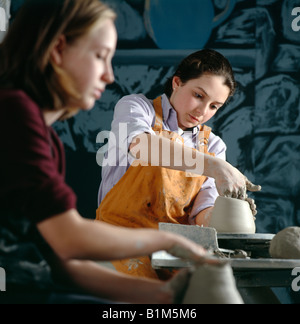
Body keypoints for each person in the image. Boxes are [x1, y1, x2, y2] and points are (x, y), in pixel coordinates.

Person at [0, 0, 221, 304]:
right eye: (100, 56)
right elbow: (69, 238)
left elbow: (59, 261)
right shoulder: (13, 113)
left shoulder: (46, 138)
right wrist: (169, 240)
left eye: (214, 106)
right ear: (58, 50)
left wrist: (163, 295)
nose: (108, 76)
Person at [96, 49, 261, 278]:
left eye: (214, 106)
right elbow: (142, 146)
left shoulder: (213, 146)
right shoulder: (136, 109)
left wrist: (229, 209)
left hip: (175, 249)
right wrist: (215, 167)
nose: (202, 112)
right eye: (199, 95)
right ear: (177, 82)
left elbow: (201, 215)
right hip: (118, 241)